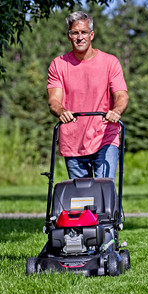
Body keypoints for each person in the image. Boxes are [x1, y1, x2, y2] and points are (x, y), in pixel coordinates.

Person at [47, 11, 129, 179]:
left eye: (83, 32)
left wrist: (116, 111)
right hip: (73, 140)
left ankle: (107, 199)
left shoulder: (110, 62)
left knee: (104, 188)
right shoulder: (58, 64)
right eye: (75, 33)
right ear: (69, 36)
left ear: (91, 35)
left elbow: (122, 95)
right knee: (80, 193)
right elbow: (54, 100)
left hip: (105, 136)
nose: (80, 37)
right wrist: (62, 111)